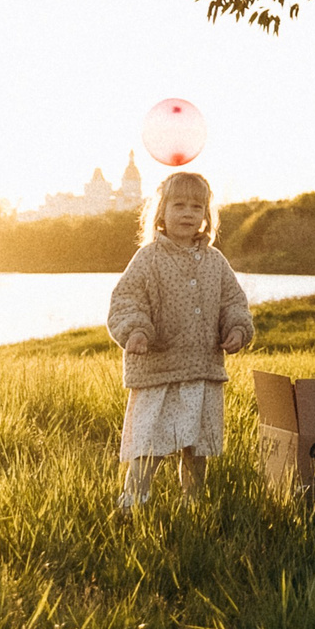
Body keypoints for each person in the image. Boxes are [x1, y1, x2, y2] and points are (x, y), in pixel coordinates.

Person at [105, 170, 251, 508]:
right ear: (161, 212)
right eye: (179, 205)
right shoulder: (148, 258)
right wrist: (135, 330)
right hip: (160, 371)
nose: (188, 213)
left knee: (197, 444)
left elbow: (233, 301)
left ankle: (193, 501)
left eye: (197, 207)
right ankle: (134, 500)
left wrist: (237, 329)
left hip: (202, 370)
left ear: (206, 216)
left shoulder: (215, 261)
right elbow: (127, 300)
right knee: (150, 442)